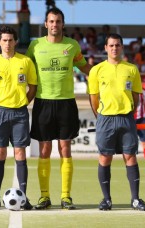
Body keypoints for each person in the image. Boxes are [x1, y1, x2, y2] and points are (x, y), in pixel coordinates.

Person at [25, 7, 91, 210]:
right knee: (44, 150)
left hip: (66, 103)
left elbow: (84, 67)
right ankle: (44, 197)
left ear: (63, 24)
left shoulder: (72, 45)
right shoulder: (35, 45)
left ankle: (66, 197)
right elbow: (24, 69)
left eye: (58, 21)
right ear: (46, 24)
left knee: (65, 148)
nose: (55, 25)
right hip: (43, 102)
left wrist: (103, 72)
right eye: (51, 21)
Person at [87, 33, 145, 211]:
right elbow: (94, 98)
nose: (114, 48)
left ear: (122, 47)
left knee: (130, 156)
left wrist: (128, 111)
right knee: (105, 157)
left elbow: (136, 97)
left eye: (118, 45)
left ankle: (135, 199)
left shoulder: (132, 69)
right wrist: (101, 117)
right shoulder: (96, 70)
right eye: (111, 45)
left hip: (126, 118)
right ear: (105, 48)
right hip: (105, 118)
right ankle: (106, 199)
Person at [0, 25, 37, 210]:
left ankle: (24, 197)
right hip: (0, 112)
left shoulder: (26, 61)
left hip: (20, 112)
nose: (7, 43)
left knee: (20, 153)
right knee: (0, 152)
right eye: (4, 40)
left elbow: (33, 87)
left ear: (16, 41)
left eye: (10, 40)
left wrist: (23, 102)